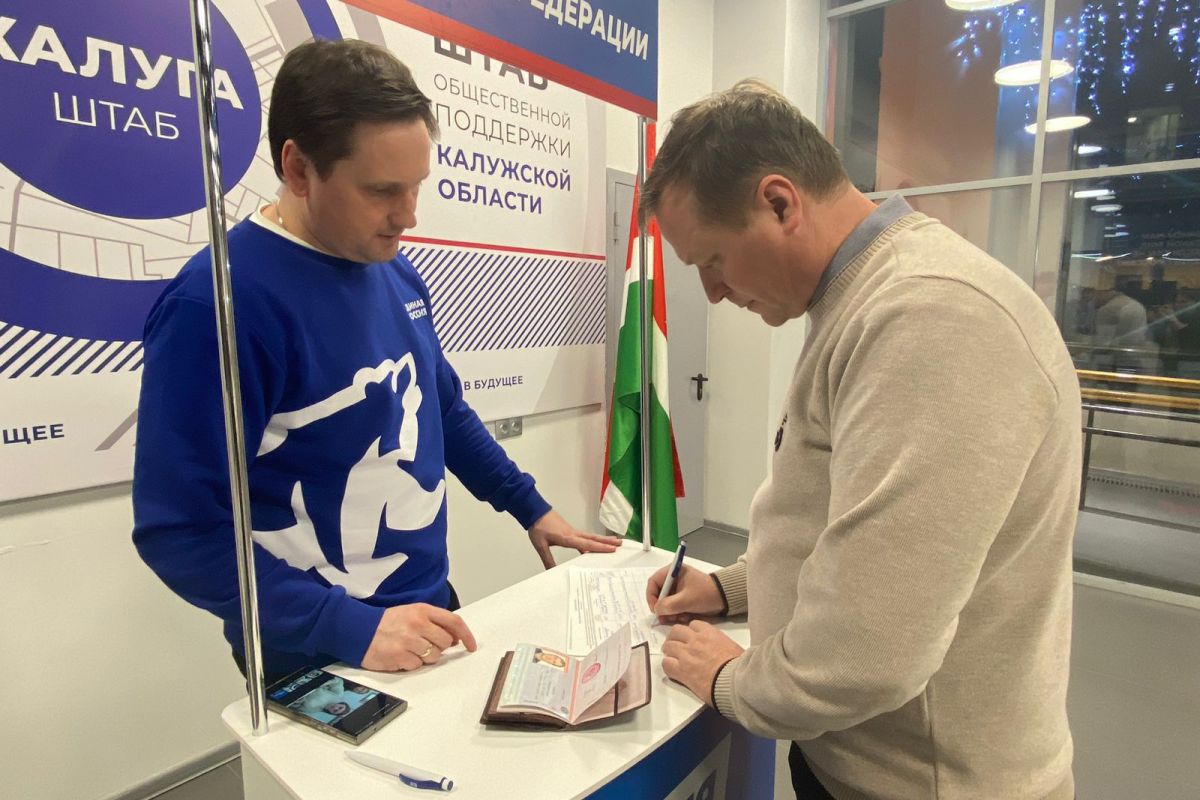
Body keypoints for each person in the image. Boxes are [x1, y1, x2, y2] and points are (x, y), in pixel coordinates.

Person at [640, 81, 1081, 799]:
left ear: (779, 203)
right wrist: (728, 588)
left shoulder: (930, 317)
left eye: (711, 261)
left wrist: (729, 678)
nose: (712, 292)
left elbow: (869, 651)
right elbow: (838, 516)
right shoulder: (861, 300)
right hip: (866, 761)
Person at [132, 39, 616, 684]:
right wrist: (351, 627)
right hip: (316, 647)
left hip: (425, 611)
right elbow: (181, 530)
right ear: (299, 168)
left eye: (415, 187)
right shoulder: (219, 304)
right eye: (383, 191)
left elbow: (441, 408)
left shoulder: (391, 268)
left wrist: (530, 506)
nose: (408, 216)